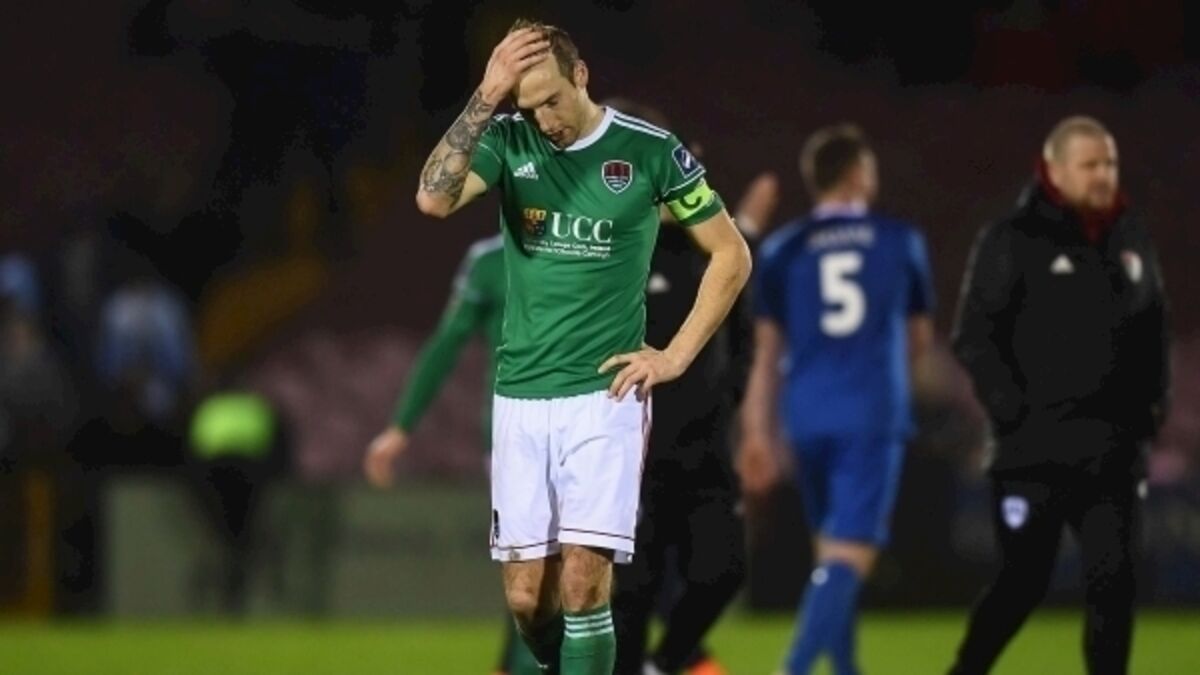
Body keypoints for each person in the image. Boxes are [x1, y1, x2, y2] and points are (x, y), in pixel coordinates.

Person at [412, 18, 752, 673]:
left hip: (603, 398)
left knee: (582, 585)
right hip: (521, 396)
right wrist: (485, 97)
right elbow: (432, 200)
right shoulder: (506, 141)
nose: (543, 121)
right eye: (527, 107)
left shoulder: (650, 151)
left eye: (551, 101)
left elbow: (730, 254)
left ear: (581, 75)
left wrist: (674, 355)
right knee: (527, 601)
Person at [946, 116, 1170, 675]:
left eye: (1110, 163)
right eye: (1090, 164)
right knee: (1022, 583)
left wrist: (1151, 410)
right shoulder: (1012, 238)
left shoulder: (1130, 237)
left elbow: (1152, 331)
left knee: (1114, 584)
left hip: (1114, 453)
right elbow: (974, 336)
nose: (1104, 174)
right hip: (1034, 455)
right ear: (1055, 170)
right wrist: (1012, 412)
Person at [737, 124, 935, 675]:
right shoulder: (898, 241)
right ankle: (794, 669)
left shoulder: (781, 249)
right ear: (859, 175)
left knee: (830, 552)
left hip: (804, 416)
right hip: (870, 412)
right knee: (850, 555)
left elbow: (765, 353)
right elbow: (919, 339)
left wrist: (756, 432)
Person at [599, 98, 776, 675]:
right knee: (634, 588)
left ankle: (666, 662)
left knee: (724, 570)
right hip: (635, 447)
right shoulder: (617, 251)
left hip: (705, 446)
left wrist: (730, 402)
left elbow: (742, 338)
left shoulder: (715, 255)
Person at [362, 234, 542, 675]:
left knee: (578, 572)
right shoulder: (489, 261)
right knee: (534, 573)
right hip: (514, 436)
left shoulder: (597, 240)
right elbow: (447, 341)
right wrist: (401, 425)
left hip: (590, 430)